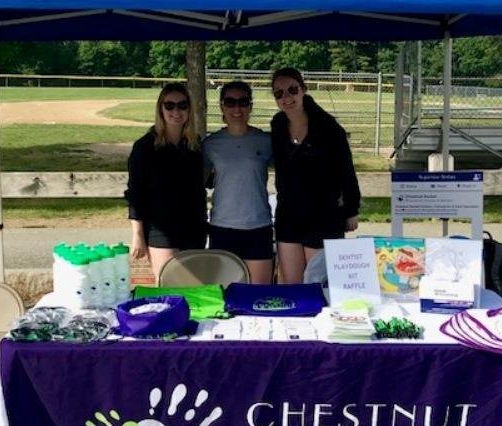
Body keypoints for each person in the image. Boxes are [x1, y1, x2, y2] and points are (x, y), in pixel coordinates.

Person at [270, 67, 361, 284]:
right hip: (288, 215)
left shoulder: (329, 128)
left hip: (322, 216)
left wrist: (351, 210)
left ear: (303, 90)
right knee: (292, 287)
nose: (287, 97)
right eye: (279, 93)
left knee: (318, 286)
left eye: (292, 90)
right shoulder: (278, 124)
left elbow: (346, 171)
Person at [125, 83, 206, 280]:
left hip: (193, 229)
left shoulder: (195, 145)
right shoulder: (144, 147)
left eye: (182, 105)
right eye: (169, 106)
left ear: (189, 109)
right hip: (161, 231)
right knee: (170, 286)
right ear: (160, 109)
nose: (176, 111)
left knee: (194, 290)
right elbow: (135, 194)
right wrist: (138, 235)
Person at [203, 81, 274, 283]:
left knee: (259, 295)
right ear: (222, 107)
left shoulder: (266, 141)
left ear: (250, 106)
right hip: (222, 227)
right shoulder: (210, 144)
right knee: (224, 295)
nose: (237, 108)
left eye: (243, 102)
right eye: (230, 102)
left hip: (258, 226)